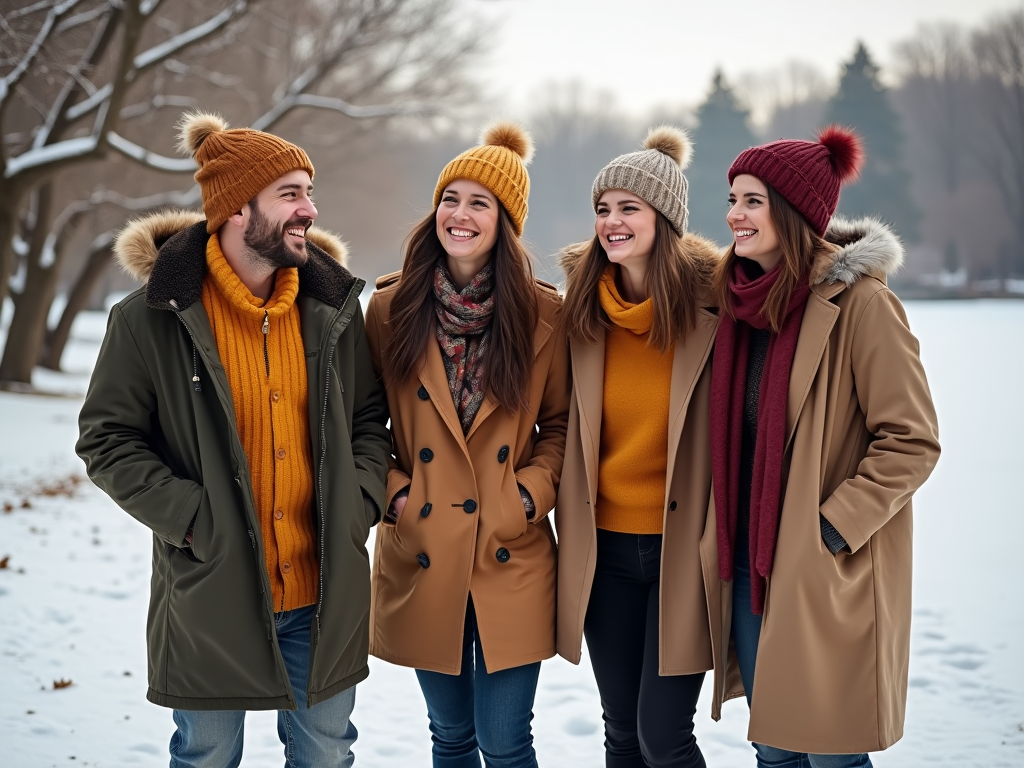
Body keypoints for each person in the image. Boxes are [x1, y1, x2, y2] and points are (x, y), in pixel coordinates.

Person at [76, 111, 390, 767]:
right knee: (207, 757)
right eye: (291, 193)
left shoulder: (333, 311)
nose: (310, 208)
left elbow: (368, 421)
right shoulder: (148, 321)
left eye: (309, 190)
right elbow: (107, 440)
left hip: (322, 590)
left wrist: (358, 501)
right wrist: (192, 518)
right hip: (210, 586)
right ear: (236, 210)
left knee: (327, 755)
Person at [706, 126, 941, 767]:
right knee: (776, 753)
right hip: (751, 569)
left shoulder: (862, 305)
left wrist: (830, 529)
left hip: (824, 568)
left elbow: (912, 440)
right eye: (732, 198)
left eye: (752, 200)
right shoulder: (734, 307)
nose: (734, 214)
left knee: (833, 754)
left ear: (793, 210)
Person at [364, 121, 570, 768]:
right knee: (450, 738)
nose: (459, 214)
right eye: (449, 199)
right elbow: (364, 424)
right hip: (425, 544)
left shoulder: (544, 316)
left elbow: (561, 427)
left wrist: (528, 499)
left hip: (511, 550)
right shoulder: (389, 311)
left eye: (479, 202)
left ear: (504, 221)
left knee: (506, 742)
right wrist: (397, 498)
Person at [555, 126, 721, 768]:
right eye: (603, 208)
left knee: (663, 735)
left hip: (685, 551)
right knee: (620, 731)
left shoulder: (715, 311)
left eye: (630, 208)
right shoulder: (581, 313)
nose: (612, 222)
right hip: (605, 552)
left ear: (666, 218)